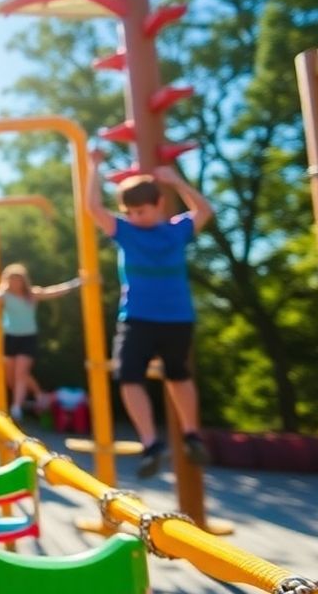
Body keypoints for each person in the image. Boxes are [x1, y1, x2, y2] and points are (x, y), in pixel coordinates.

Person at [87, 150, 213, 479]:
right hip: (137, 317)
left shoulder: (177, 230)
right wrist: (93, 167)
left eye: (141, 211)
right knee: (128, 376)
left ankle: (191, 434)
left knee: (178, 374)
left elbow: (204, 210)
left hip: (176, 317)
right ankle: (151, 443)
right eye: (129, 212)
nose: (135, 217)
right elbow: (93, 208)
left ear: (159, 204)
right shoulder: (125, 232)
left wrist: (176, 181)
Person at [0, 263, 80, 422]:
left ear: (23, 281)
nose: (15, 283)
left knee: (21, 372)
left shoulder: (31, 294)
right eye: (12, 280)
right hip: (11, 337)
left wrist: (74, 283)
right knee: (11, 376)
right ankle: (38, 393)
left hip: (28, 338)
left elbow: (52, 292)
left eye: (18, 280)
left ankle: (16, 408)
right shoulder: (4, 295)